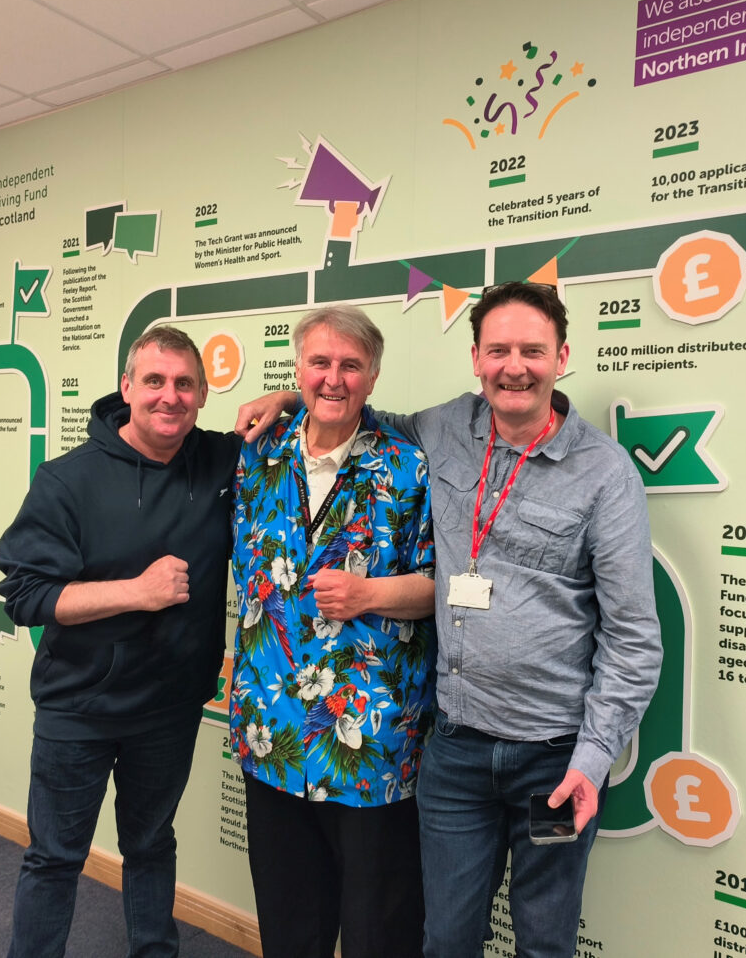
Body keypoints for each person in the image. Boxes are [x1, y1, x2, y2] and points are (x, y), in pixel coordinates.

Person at [237, 282, 662, 958]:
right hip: (456, 752)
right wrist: (292, 397)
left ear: (562, 356)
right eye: (499, 349)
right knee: (444, 940)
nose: (514, 365)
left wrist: (592, 756)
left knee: (545, 939)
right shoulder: (443, 430)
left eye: (531, 350)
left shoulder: (604, 474)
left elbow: (634, 638)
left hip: (551, 758)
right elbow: (347, 411)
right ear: (475, 358)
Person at [0, 325, 241, 958]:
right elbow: (25, 597)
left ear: (203, 394)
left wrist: (287, 400)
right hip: (79, 708)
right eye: (154, 381)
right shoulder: (66, 479)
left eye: (185, 383)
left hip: (169, 710)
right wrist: (136, 591)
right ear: (126, 387)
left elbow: (321, 401)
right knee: (54, 858)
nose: (169, 396)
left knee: (152, 845)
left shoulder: (219, 461)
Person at [229, 304, 435, 958]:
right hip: (273, 733)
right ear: (298, 369)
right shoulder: (257, 456)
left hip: (370, 743)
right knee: (290, 923)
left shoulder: (409, 466)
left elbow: (442, 588)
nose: (334, 378)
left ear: (373, 377)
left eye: (351, 365)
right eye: (319, 363)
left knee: (381, 928)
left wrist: (369, 594)